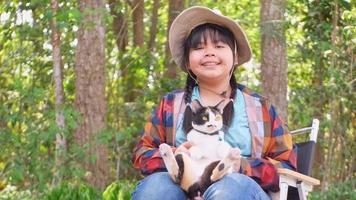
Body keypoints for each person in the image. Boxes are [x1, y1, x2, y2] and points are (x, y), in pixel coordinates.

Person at [131, 6, 296, 200]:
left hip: (240, 190)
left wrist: (237, 165)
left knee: (230, 189)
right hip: (184, 187)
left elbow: (286, 166)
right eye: (199, 48)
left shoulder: (260, 107)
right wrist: (177, 158)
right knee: (157, 188)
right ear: (188, 61)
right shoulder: (170, 105)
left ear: (235, 56)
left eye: (219, 46)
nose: (209, 53)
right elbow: (142, 154)